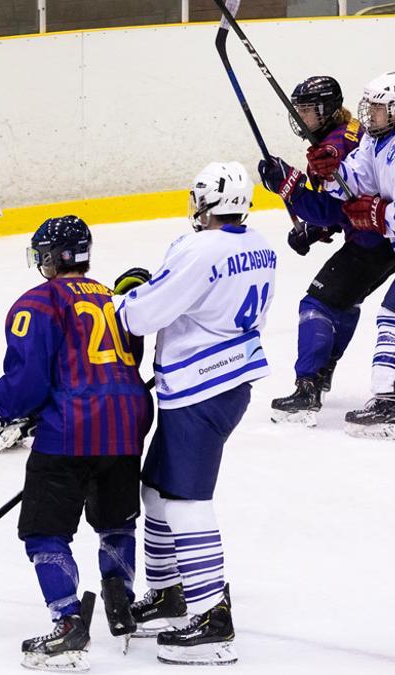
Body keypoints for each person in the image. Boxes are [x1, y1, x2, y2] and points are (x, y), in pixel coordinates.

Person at [0, 216, 152, 672]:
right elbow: (121, 363)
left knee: (45, 531)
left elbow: (29, 379)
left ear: (56, 258)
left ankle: (67, 624)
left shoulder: (37, 302)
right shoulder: (115, 299)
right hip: (125, 426)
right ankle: (120, 598)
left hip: (70, 431)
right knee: (115, 523)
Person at [113, 161, 276, 666]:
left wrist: (125, 298)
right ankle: (169, 594)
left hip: (200, 388)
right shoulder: (260, 245)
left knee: (186, 501)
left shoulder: (197, 248)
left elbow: (142, 315)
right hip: (222, 381)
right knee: (157, 488)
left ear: (207, 203)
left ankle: (211, 617)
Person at [257, 75, 390, 424]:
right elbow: (346, 199)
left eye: (306, 110)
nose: (300, 117)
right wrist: (315, 230)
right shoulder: (348, 136)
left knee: (320, 302)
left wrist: (292, 189)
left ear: (326, 110)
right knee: (341, 301)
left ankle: (309, 386)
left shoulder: (341, 141)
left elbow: (338, 207)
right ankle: (319, 375)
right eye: (297, 110)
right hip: (378, 236)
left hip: (374, 240)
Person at [317, 72, 395, 436]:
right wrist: (331, 172)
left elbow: (380, 208)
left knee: (391, 319)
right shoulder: (374, 144)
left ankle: (388, 401)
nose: (369, 113)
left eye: (378, 107)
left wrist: (382, 214)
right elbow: (354, 182)